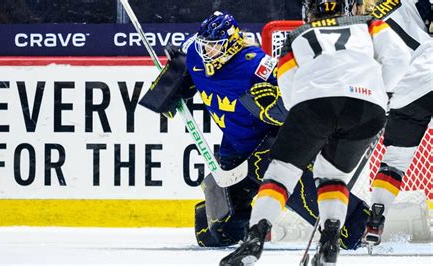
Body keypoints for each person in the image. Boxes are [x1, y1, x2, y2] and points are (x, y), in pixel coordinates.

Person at [139, 10, 373, 253]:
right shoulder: (196, 53)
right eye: (205, 46)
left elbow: (298, 94)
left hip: (270, 145)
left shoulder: (256, 64)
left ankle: (362, 225)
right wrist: (169, 85)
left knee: (302, 192)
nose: (208, 52)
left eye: (214, 47)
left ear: (230, 43)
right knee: (219, 231)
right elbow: (184, 64)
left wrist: (275, 109)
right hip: (235, 151)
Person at [220, 0, 411, 265]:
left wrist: (315, 108)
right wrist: (380, 91)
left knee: (281, 172)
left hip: (315, 105)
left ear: (309, 11)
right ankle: (329, 243)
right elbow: (400, 57)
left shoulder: (296, 37)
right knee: (333, 177)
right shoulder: (368, 24)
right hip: (368, 110)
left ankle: (254, 240)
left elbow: (288, 97)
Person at [362, 0, 433, 247]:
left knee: (394, 161)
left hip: (405, 90)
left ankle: (376, 217)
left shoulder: (381, 12)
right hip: (423, 74)